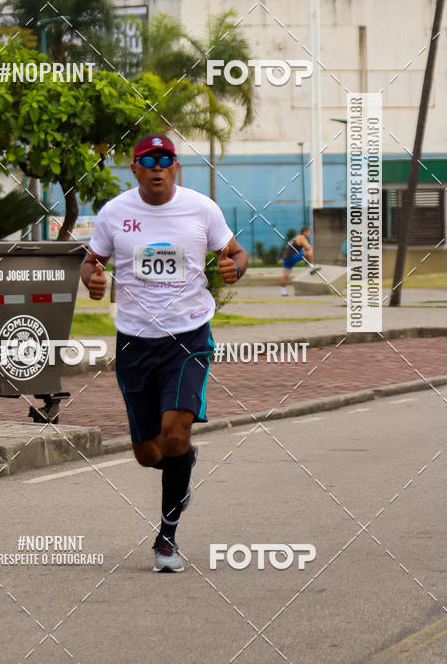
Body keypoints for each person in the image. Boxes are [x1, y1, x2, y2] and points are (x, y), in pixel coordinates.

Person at [80, 134, 247, 573]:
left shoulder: (201, 208)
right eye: (147, 160)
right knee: (149, 454)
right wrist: (92, 279)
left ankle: (166, 539)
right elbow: (91, 260)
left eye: (165, 159)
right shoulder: (115, 213)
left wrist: (234, 267)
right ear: (134, 168)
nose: (157, 167)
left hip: (188, 337)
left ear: (175, 167)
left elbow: (236, 252)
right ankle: (183, 465)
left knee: (175, 432)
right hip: (135, 341)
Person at [279, 226, 314, 296]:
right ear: (304, 232)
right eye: (308, 232)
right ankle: (311, 268)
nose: (309, 234)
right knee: (309, 252)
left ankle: (283, 291)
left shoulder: (296, 237)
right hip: (292, 256)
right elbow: (308, 247)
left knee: (285, 275)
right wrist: (310, 250)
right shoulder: (302, 237)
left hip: (286, 258)